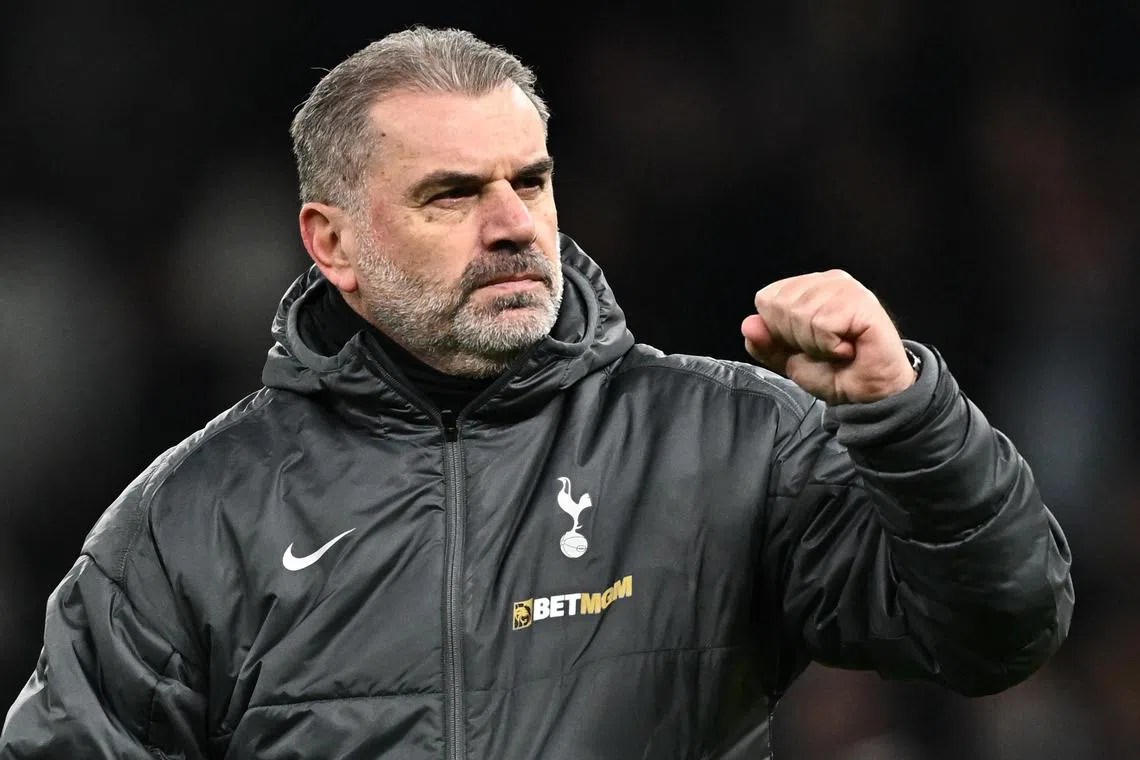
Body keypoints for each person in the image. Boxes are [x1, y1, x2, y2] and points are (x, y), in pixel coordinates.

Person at [1, 26, 1073, 760]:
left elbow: (1001, 626)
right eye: (453, 193)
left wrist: (905, 417)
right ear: (335, 244)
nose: (513, 221)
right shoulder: (191, 520)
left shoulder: (727, 444)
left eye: (532, 178)